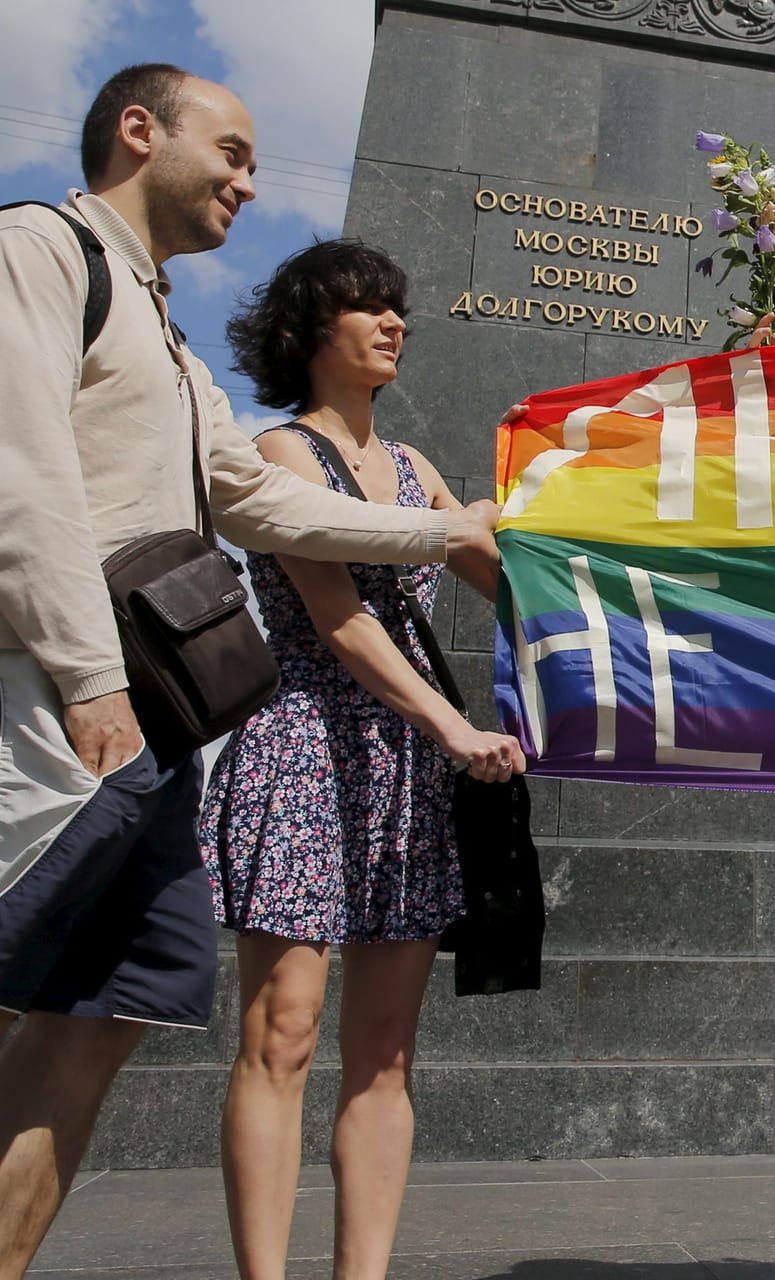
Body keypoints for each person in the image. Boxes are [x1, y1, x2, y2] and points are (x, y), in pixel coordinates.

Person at [0, 65, 500, 1278]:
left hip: (157, 715)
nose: (247, 180)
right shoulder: (45, 249)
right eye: (229, 152)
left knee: (100, 1012)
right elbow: (23, 479)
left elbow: (255, 499)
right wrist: (87, 681)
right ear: (139, 131)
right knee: (55, 992)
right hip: (79, 702)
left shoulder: (166, 338)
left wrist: (460, 526)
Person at [197, 239, 525, 1280]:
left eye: (397, 306)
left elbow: (517, 586)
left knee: (384, 1050)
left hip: (405, 769)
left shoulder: (421, 470)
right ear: (308, 333)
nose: (392, 322)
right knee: (282, 1031)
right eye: (365, 308)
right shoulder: (282, 452)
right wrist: (453, 724)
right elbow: (338, 619)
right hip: (305, 748)